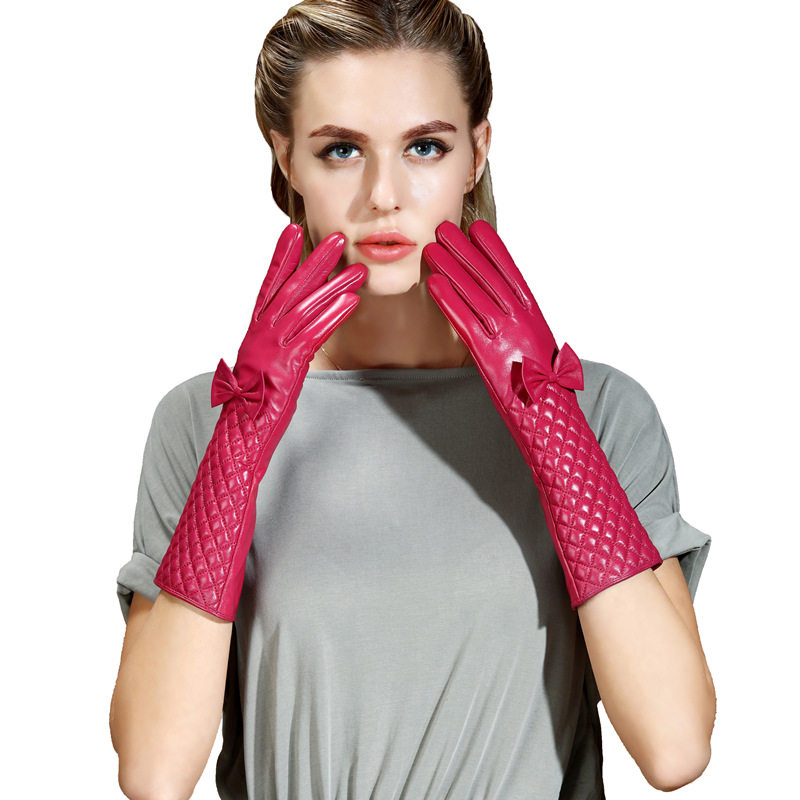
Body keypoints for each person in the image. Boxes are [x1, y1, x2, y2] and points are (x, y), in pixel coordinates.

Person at [110, 1, 716, 798]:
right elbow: (153, 774)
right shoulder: (203, 420)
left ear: (477, 153)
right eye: (340, 151)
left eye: (424, 146)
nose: (383, 194)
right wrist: (245, 435)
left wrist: (550, 425)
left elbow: (675, 749)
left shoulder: (599, 410)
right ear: (286, 158)